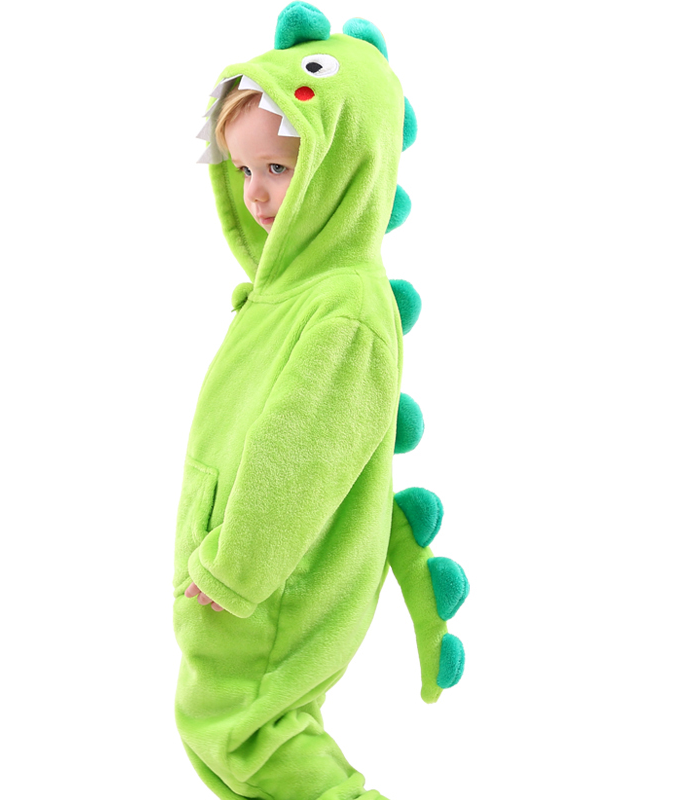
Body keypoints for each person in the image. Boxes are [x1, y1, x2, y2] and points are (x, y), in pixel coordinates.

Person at [173, 5, 468, 799]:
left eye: (278, 167)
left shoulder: (345, 311)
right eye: (243, 171)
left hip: (274, 574)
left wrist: (236, 569)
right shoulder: (286, 294)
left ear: (343, 164)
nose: (256, 195)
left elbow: (299, 455)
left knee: (253, 737)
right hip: (230, 560)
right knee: (222, 737)